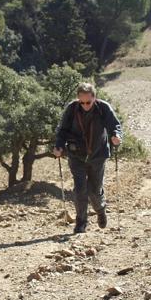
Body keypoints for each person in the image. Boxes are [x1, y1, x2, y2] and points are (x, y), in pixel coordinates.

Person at [53, 83, 122, 234]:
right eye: (81, 102)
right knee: (79, 190)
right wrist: (58, 145)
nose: (85, 105)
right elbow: (62, 129)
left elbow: (114, 125)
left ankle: (100, 209)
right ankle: (81, 223)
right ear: (78, 99)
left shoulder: (103, 108)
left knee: (94, 191)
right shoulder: (72, 109)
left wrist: (116, 136)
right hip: (76, 155)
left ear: (94, 98)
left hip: (98, 155)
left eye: (88, 102)